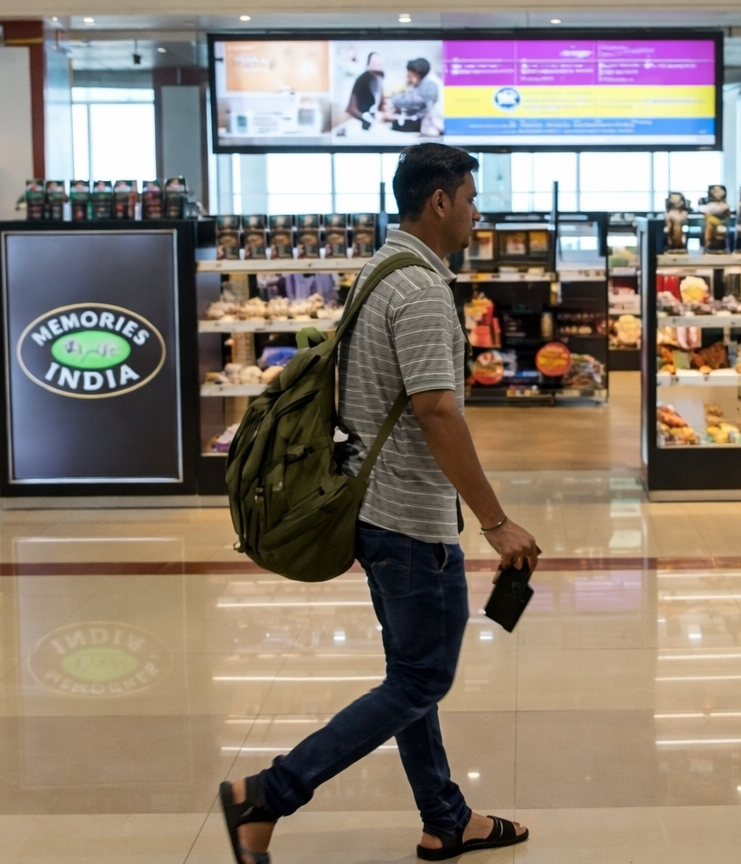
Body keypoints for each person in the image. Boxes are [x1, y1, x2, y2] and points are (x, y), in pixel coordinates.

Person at [219, 144, 538, 863]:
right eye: (471, 196)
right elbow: (436, 412)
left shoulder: (381, 271)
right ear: (440, 202)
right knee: (424, 677)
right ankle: (269, 792)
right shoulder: (422, 289)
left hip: (373, 508)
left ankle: (445, 818)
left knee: (409, 674)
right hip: (409, 520)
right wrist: (495, 519)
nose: (477, 211)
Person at [385, 57, 442, 135]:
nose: (408, 78)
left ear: (417, 72)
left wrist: (394, 100)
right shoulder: (422, 83)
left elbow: (416, 102)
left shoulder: (430, 84)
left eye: (410, 75)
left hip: (434, 125)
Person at [345, 51, 385, 130]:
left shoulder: (379, 80)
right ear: (368, 64)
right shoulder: (362, 80)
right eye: (375, 63)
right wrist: (364, 118)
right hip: (360, 123)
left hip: (375, 123)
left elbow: (380, 105)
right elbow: (351, 108)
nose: (377, 66)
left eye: (379, 63)